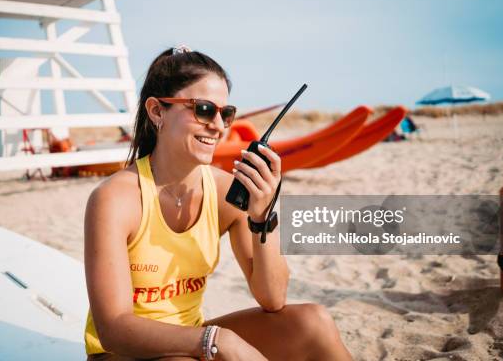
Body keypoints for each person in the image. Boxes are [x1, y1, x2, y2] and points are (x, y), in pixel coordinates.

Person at [84, 46, 352, 360]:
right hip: (124, 353)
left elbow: (272, 298)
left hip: (192, 340)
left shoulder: (224, 191)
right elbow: (113, 329)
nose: (219, 125)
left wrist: (262, 217)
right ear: (157, 111)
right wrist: (217, 340)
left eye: (225, 113)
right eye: (204, 109)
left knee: (313, 322)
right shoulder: (114, 199)